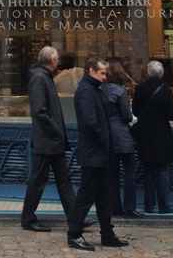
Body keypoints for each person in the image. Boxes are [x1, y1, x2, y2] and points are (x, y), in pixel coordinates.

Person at [67, 57, 129, 252]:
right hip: (93, 151)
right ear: (91, 71)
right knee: (87, 194)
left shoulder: (94, 89)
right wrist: (103, 138)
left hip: (99, 151)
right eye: (101, 73)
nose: (104, 77)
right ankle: (74, 234)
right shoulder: (87, 91)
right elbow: (90, 122)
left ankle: (107, 233)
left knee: (104, 195)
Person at [20, 45, 77, 232]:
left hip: (52, 139)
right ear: (52, 60)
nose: (58, 60)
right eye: (57, 58)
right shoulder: (40, 78)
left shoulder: (45, 77)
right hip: (47, 139)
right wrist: (56, 130)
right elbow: (40, 111)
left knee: (63, 179)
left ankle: (75, 218)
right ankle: (28, 218)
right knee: (38, 180)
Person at [132, 60, 173, 214]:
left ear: (148, 72)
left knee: (148, 171)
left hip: (144, 134)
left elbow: (135, 111)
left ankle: (148, 205)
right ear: (162, 74)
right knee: (162, 170)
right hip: (162, 135)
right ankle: (163, 206)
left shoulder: (139, 89)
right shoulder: (166, 92)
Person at [102, 59, 140, 218]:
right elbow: (126, 115)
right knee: (129, 170)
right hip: (122, 135)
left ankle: (114, 206)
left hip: (107, 134)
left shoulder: (100, 90)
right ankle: (129, 207)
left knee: (113, 172)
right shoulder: (120, 92)